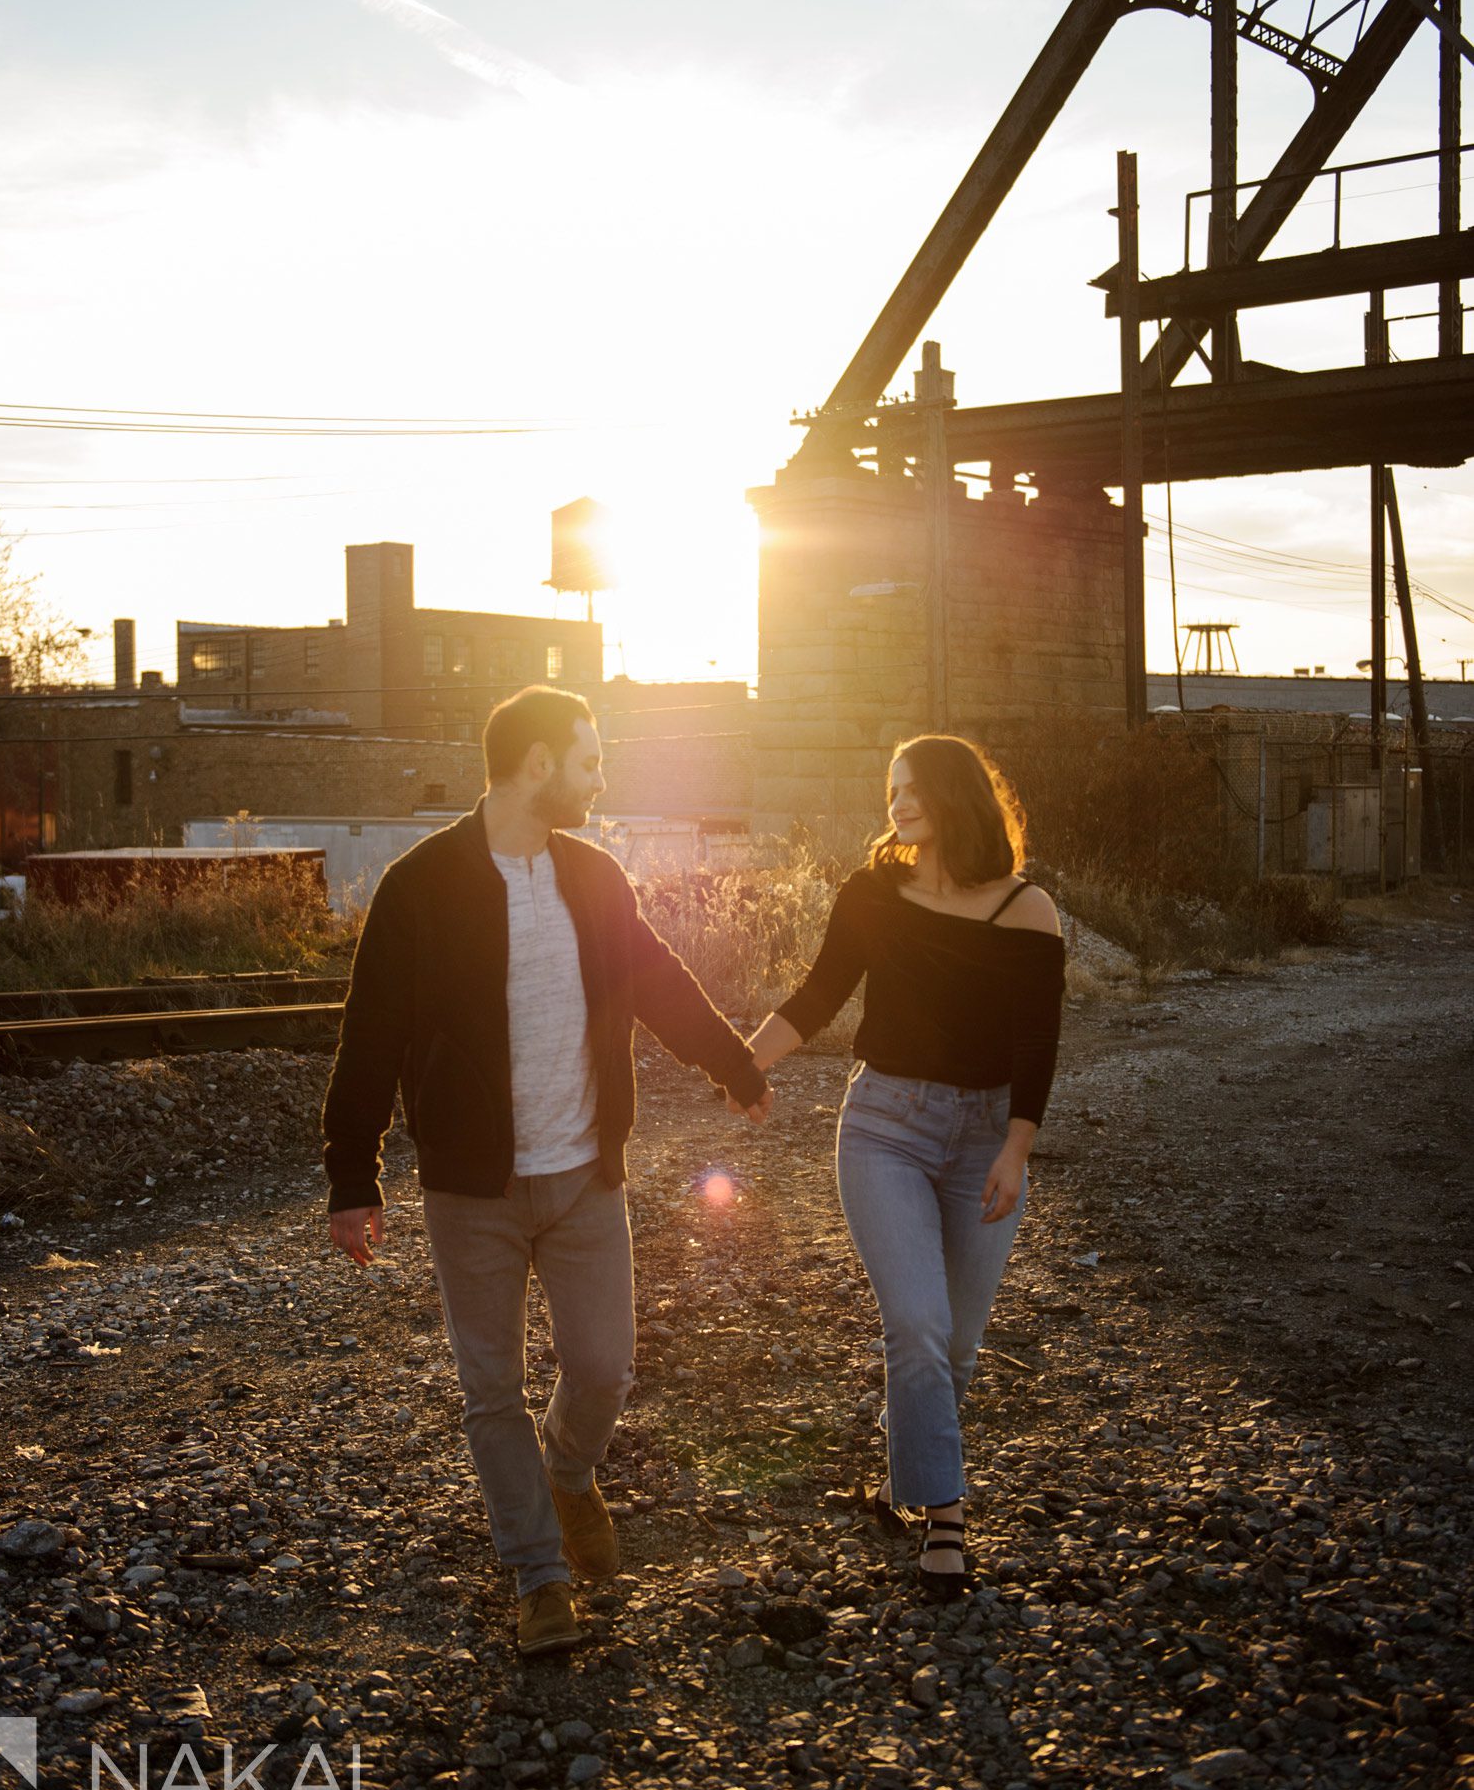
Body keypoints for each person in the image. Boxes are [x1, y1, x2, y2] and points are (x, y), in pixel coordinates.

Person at [322, 685, 773, 1655]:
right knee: (491, 1392)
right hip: (469, 1189)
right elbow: (370, 1037)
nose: (599, 774)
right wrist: (352, 1177)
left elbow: (654, 978)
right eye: (589, 757)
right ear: (536, 762)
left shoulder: (593, 875)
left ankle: (568, 1474)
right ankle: (538, 1574)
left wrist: (731, 1062)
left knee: (604, 1366)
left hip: (582, 1176)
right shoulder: (421, 883)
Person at [737, 734, 1064, 1596]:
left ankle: (900, 1469)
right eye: (891, 789)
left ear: (956, 796)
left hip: (985, 1135)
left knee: (954, 1343)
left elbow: (1039, 1045)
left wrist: (1015, 1149)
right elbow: (817, 994)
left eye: (912, 787)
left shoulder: (1027, 910)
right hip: (883, 1124)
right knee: (915, 1324)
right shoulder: (873, 891)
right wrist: (741, 1064)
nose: (897, 803)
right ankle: (944, 1519)